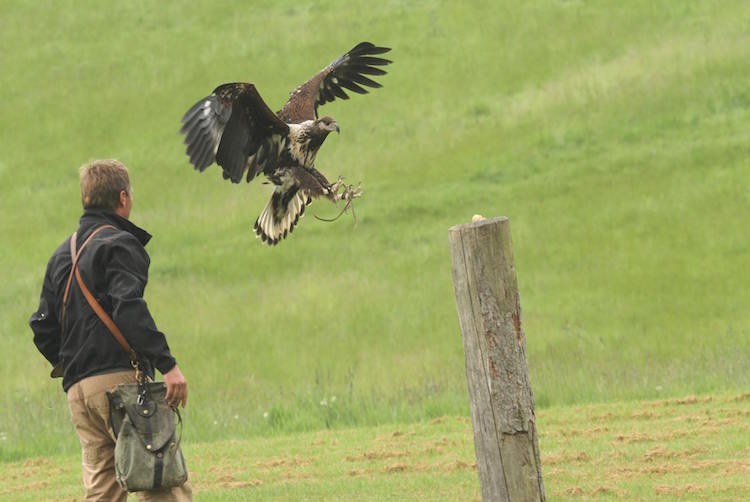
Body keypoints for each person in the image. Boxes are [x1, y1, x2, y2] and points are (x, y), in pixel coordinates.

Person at [30, 159, 192, 501]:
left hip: (78, 390)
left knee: (103, 492)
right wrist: (168, 365)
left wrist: (77, 364)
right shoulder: (119, 243)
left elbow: (41, 327)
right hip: (120, 383)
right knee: (163, 482)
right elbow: (128, 308)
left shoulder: (62, 254)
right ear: (123, 198)